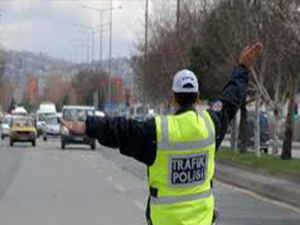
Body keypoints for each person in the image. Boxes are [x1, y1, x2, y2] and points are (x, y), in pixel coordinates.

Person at [64, 42, 262, 225]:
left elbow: (121, 129)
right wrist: (242, 68)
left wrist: (88, 126)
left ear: (174, 98)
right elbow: (230, 99)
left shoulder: (158, 132)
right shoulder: (210, 127)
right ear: (198, 97)